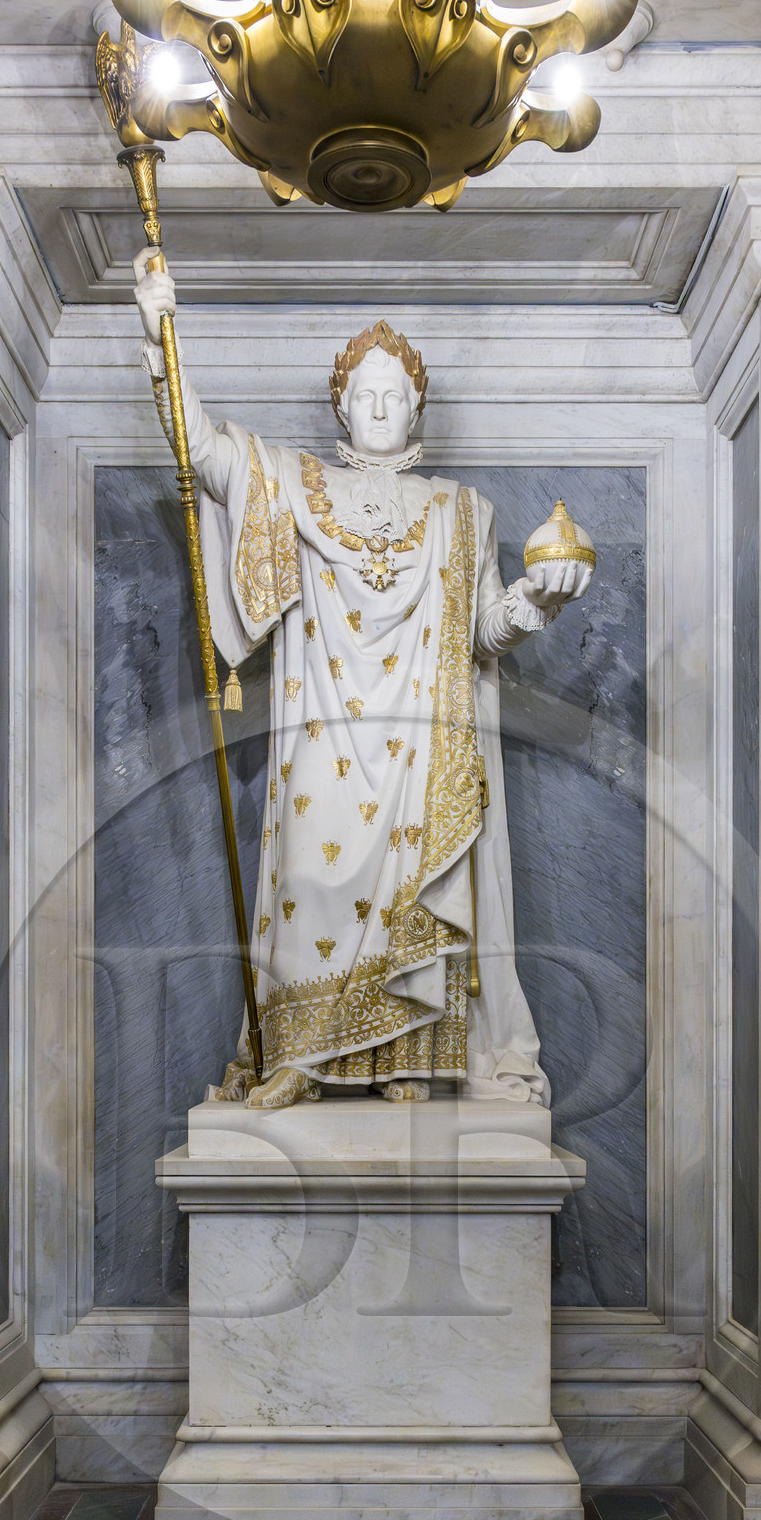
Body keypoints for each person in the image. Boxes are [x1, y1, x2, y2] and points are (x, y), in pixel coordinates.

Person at [134, 246, 594, 1108]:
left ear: (416, 406)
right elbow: (197, 446)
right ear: (341, 409)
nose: (380, 409)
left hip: (427, 741)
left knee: (423, 894)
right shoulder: (291, 485)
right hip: (326, 735)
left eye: (395, 396)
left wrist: (538, 594)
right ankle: (300, 1063)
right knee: (310, 881)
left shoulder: (462, 510)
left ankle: (403, 1062)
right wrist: (158, 324)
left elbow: (483, 636)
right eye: (364, 396)